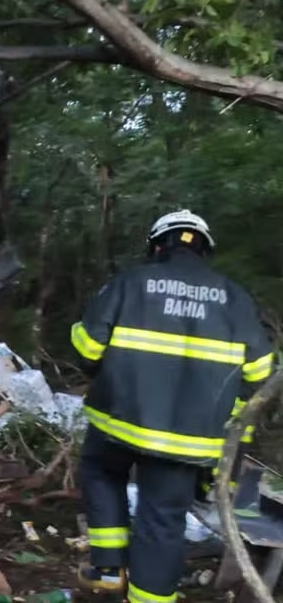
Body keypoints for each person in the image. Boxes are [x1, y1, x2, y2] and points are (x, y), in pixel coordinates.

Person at [70, 209, 274, 603]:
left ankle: (108, 568)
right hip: (190, 439)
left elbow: (87, 349)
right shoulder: (235, 299)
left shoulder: (130, 283)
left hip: (118, 424)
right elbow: (262, 372)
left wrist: (81, 333)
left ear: (157, 245)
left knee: (100, 471)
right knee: (162, 519)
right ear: (204, 248)